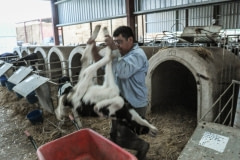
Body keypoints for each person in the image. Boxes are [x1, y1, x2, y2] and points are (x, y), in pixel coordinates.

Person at [91, 26, 149, 160]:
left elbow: (123, 72)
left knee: (124, 138)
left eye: (119, 41)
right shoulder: (119, 54)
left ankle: (142, 147)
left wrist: (113, 49)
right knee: (114, 135)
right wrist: (93, 47)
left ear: (130, 40)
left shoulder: (138, 55)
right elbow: (99, 61)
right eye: (115, 41)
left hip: (134, 104)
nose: (117, 45)